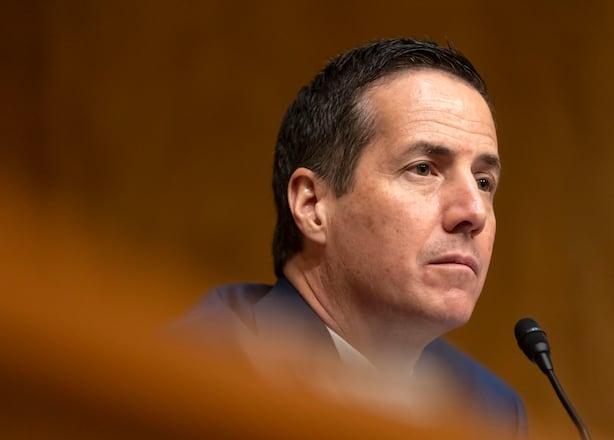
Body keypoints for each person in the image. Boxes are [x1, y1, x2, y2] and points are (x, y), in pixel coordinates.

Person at [175, 37, 526, 437]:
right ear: (312, 206)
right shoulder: (208, 366)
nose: (474, 212)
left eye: (484, 181)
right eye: (423, 169)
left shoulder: (490, 410)